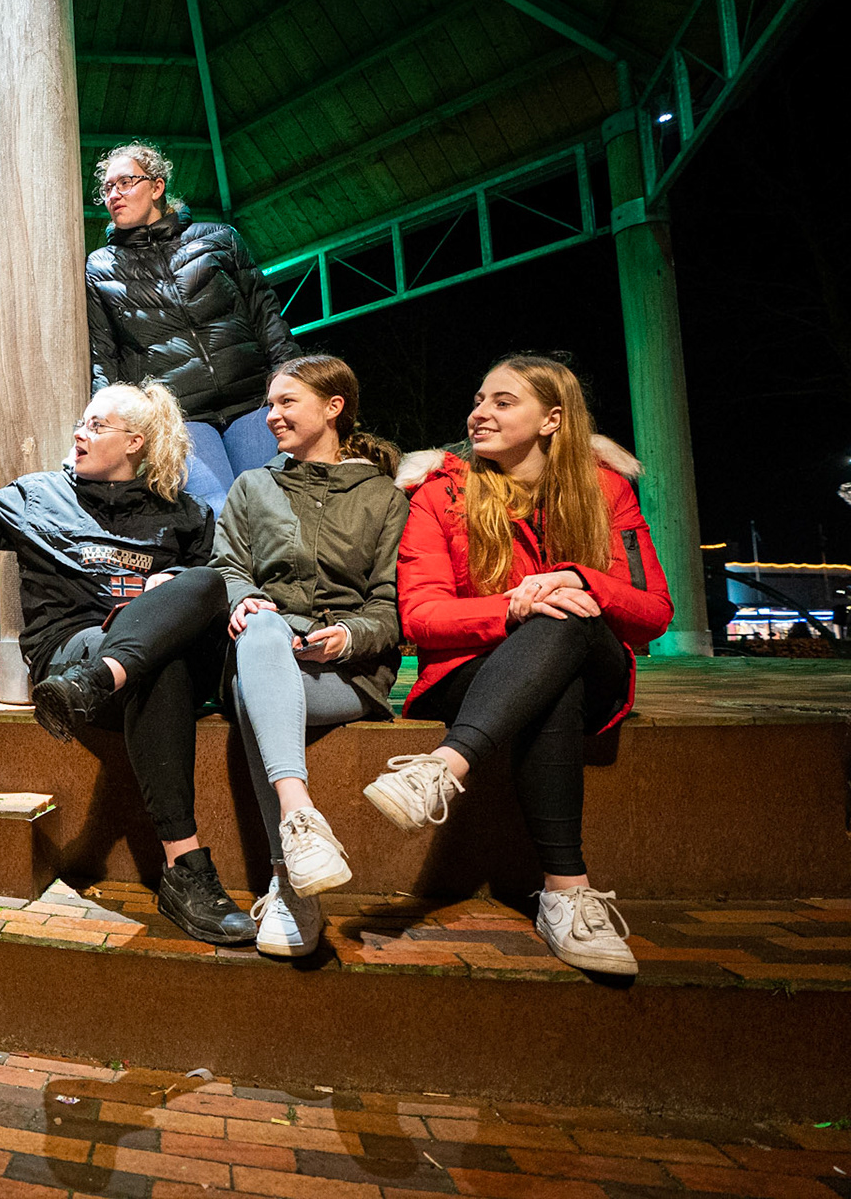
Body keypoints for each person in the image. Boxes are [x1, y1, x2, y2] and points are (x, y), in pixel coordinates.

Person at [0, 384, 256, 945]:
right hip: (72, 647)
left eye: (96, 425)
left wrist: (172, 584)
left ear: (134, 442)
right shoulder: (39, 496)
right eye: (81, 423)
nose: (79, 434)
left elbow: (216, 589)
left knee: (203, 585)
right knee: (162, 665)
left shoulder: (183, 515)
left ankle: (100, 682)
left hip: (98, 682)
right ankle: (185, 867)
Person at [364, 355, 672, 976]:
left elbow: (653, 610)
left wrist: (577, 579)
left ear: (552, 419)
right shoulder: (440, 493)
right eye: (479, 400)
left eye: (503, 402)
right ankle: (566, 894)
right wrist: (511, 607)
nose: (480, 413)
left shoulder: (605, 489)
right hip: (471, 674)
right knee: (553, 680)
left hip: (592, 663)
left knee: (571, 610)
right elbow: (420, 616)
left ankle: (444, 767)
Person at [213, 356, 407, 957]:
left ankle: (288, 883)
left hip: (346, 675)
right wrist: (243, 599)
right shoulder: (252, 486)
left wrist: (349, 635)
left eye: (286, 402)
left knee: (252, 690)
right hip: (267, 648)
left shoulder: (383, 497)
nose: (271, 416)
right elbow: (227, 568)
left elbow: (391, 605)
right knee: (261, 628)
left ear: (333, 407)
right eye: (269, 404)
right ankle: (300, 829)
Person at [85, 141, 296, 512]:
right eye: (107, 188)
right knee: (217, 512)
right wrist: (106, 423)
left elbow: (266, 315)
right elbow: (104, 354)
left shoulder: (219, 238)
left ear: (157, 186)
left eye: (125, 183)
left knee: (270, 507)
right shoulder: (100, 267)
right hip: (181, 416)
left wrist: (293, 382)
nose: (114, 195)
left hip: (252, 399)